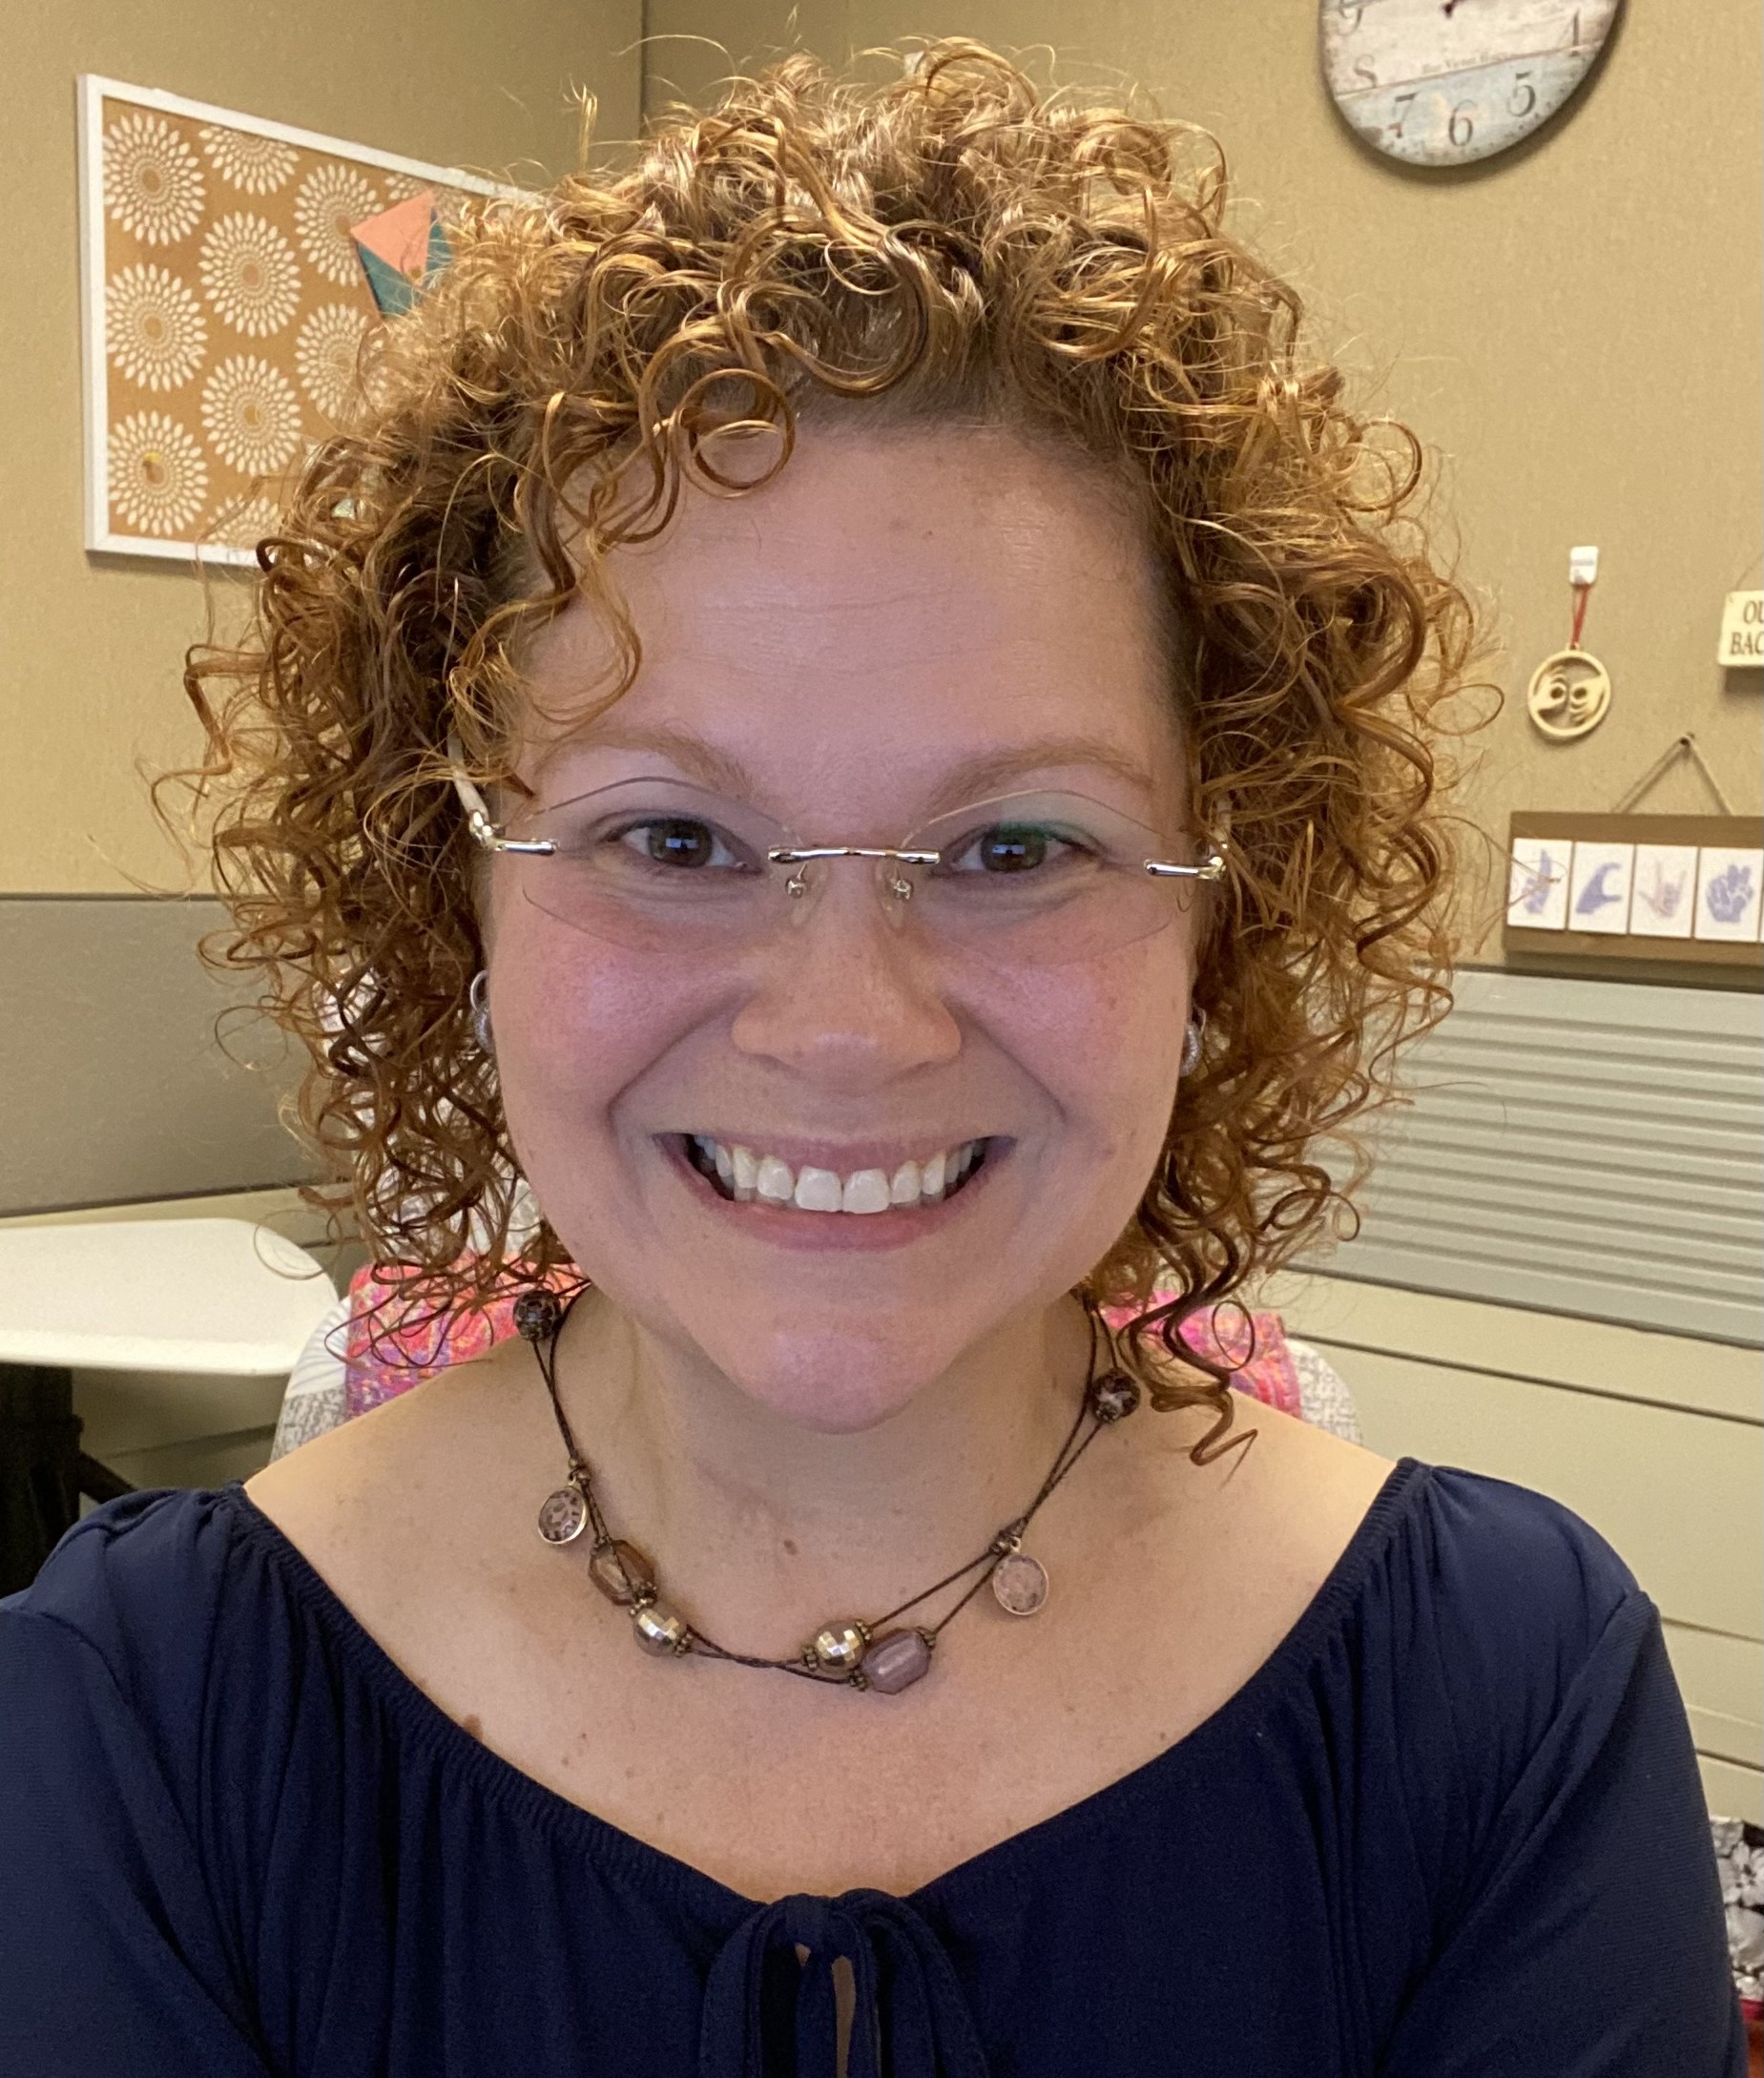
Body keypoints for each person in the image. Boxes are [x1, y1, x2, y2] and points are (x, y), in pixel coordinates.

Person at [0, 44, 1741, 2076]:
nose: (843, 1021)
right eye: (672, 840)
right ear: (451, 887)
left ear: (1214, 914)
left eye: (1017, 846)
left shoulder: (1504, 1708)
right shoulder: (134, 1715)